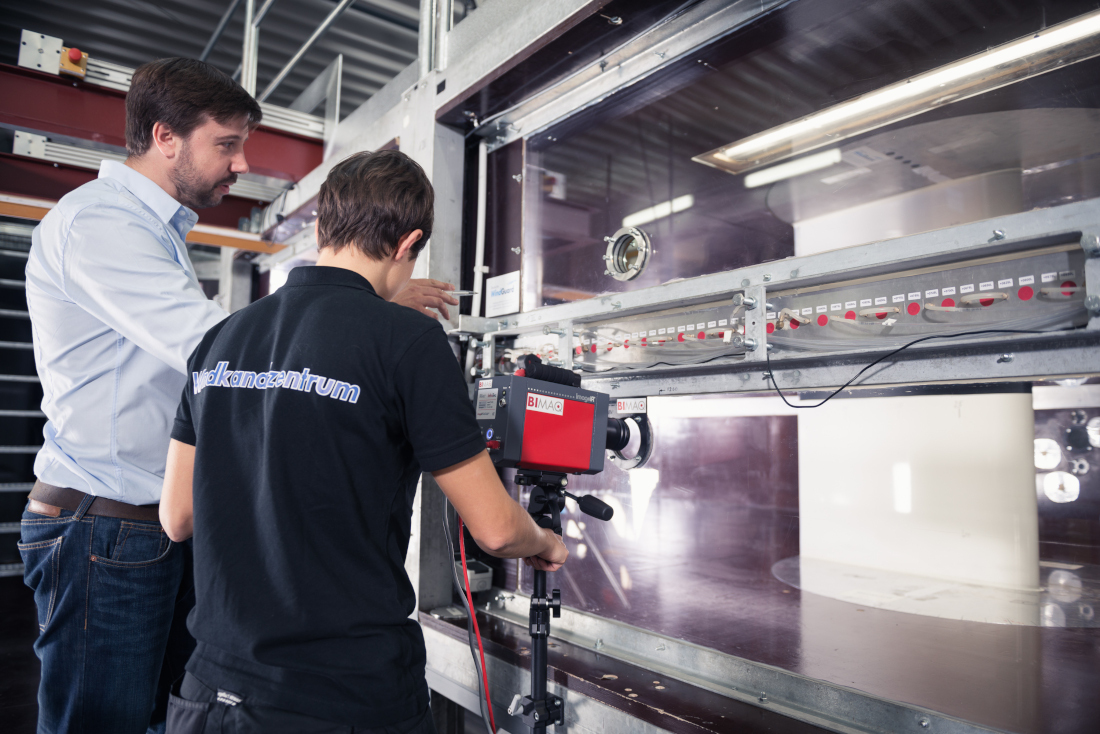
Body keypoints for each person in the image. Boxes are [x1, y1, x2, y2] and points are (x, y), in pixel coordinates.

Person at [19, 58, 459, 734]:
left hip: (148, 526)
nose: (241, 163)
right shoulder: (99, 224)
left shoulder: (158, 233)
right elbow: (224, 351)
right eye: (226, 144)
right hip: (103, 528)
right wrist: (363, 303)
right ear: (166, 137)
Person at [158, 149, 568, 734]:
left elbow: (177, 518)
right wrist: (544, 541)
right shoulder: (410, 343)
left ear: (323, 227)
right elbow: (498, 531)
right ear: (409, 243)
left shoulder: (220, 339)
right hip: (342, 695)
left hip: (210, 691)